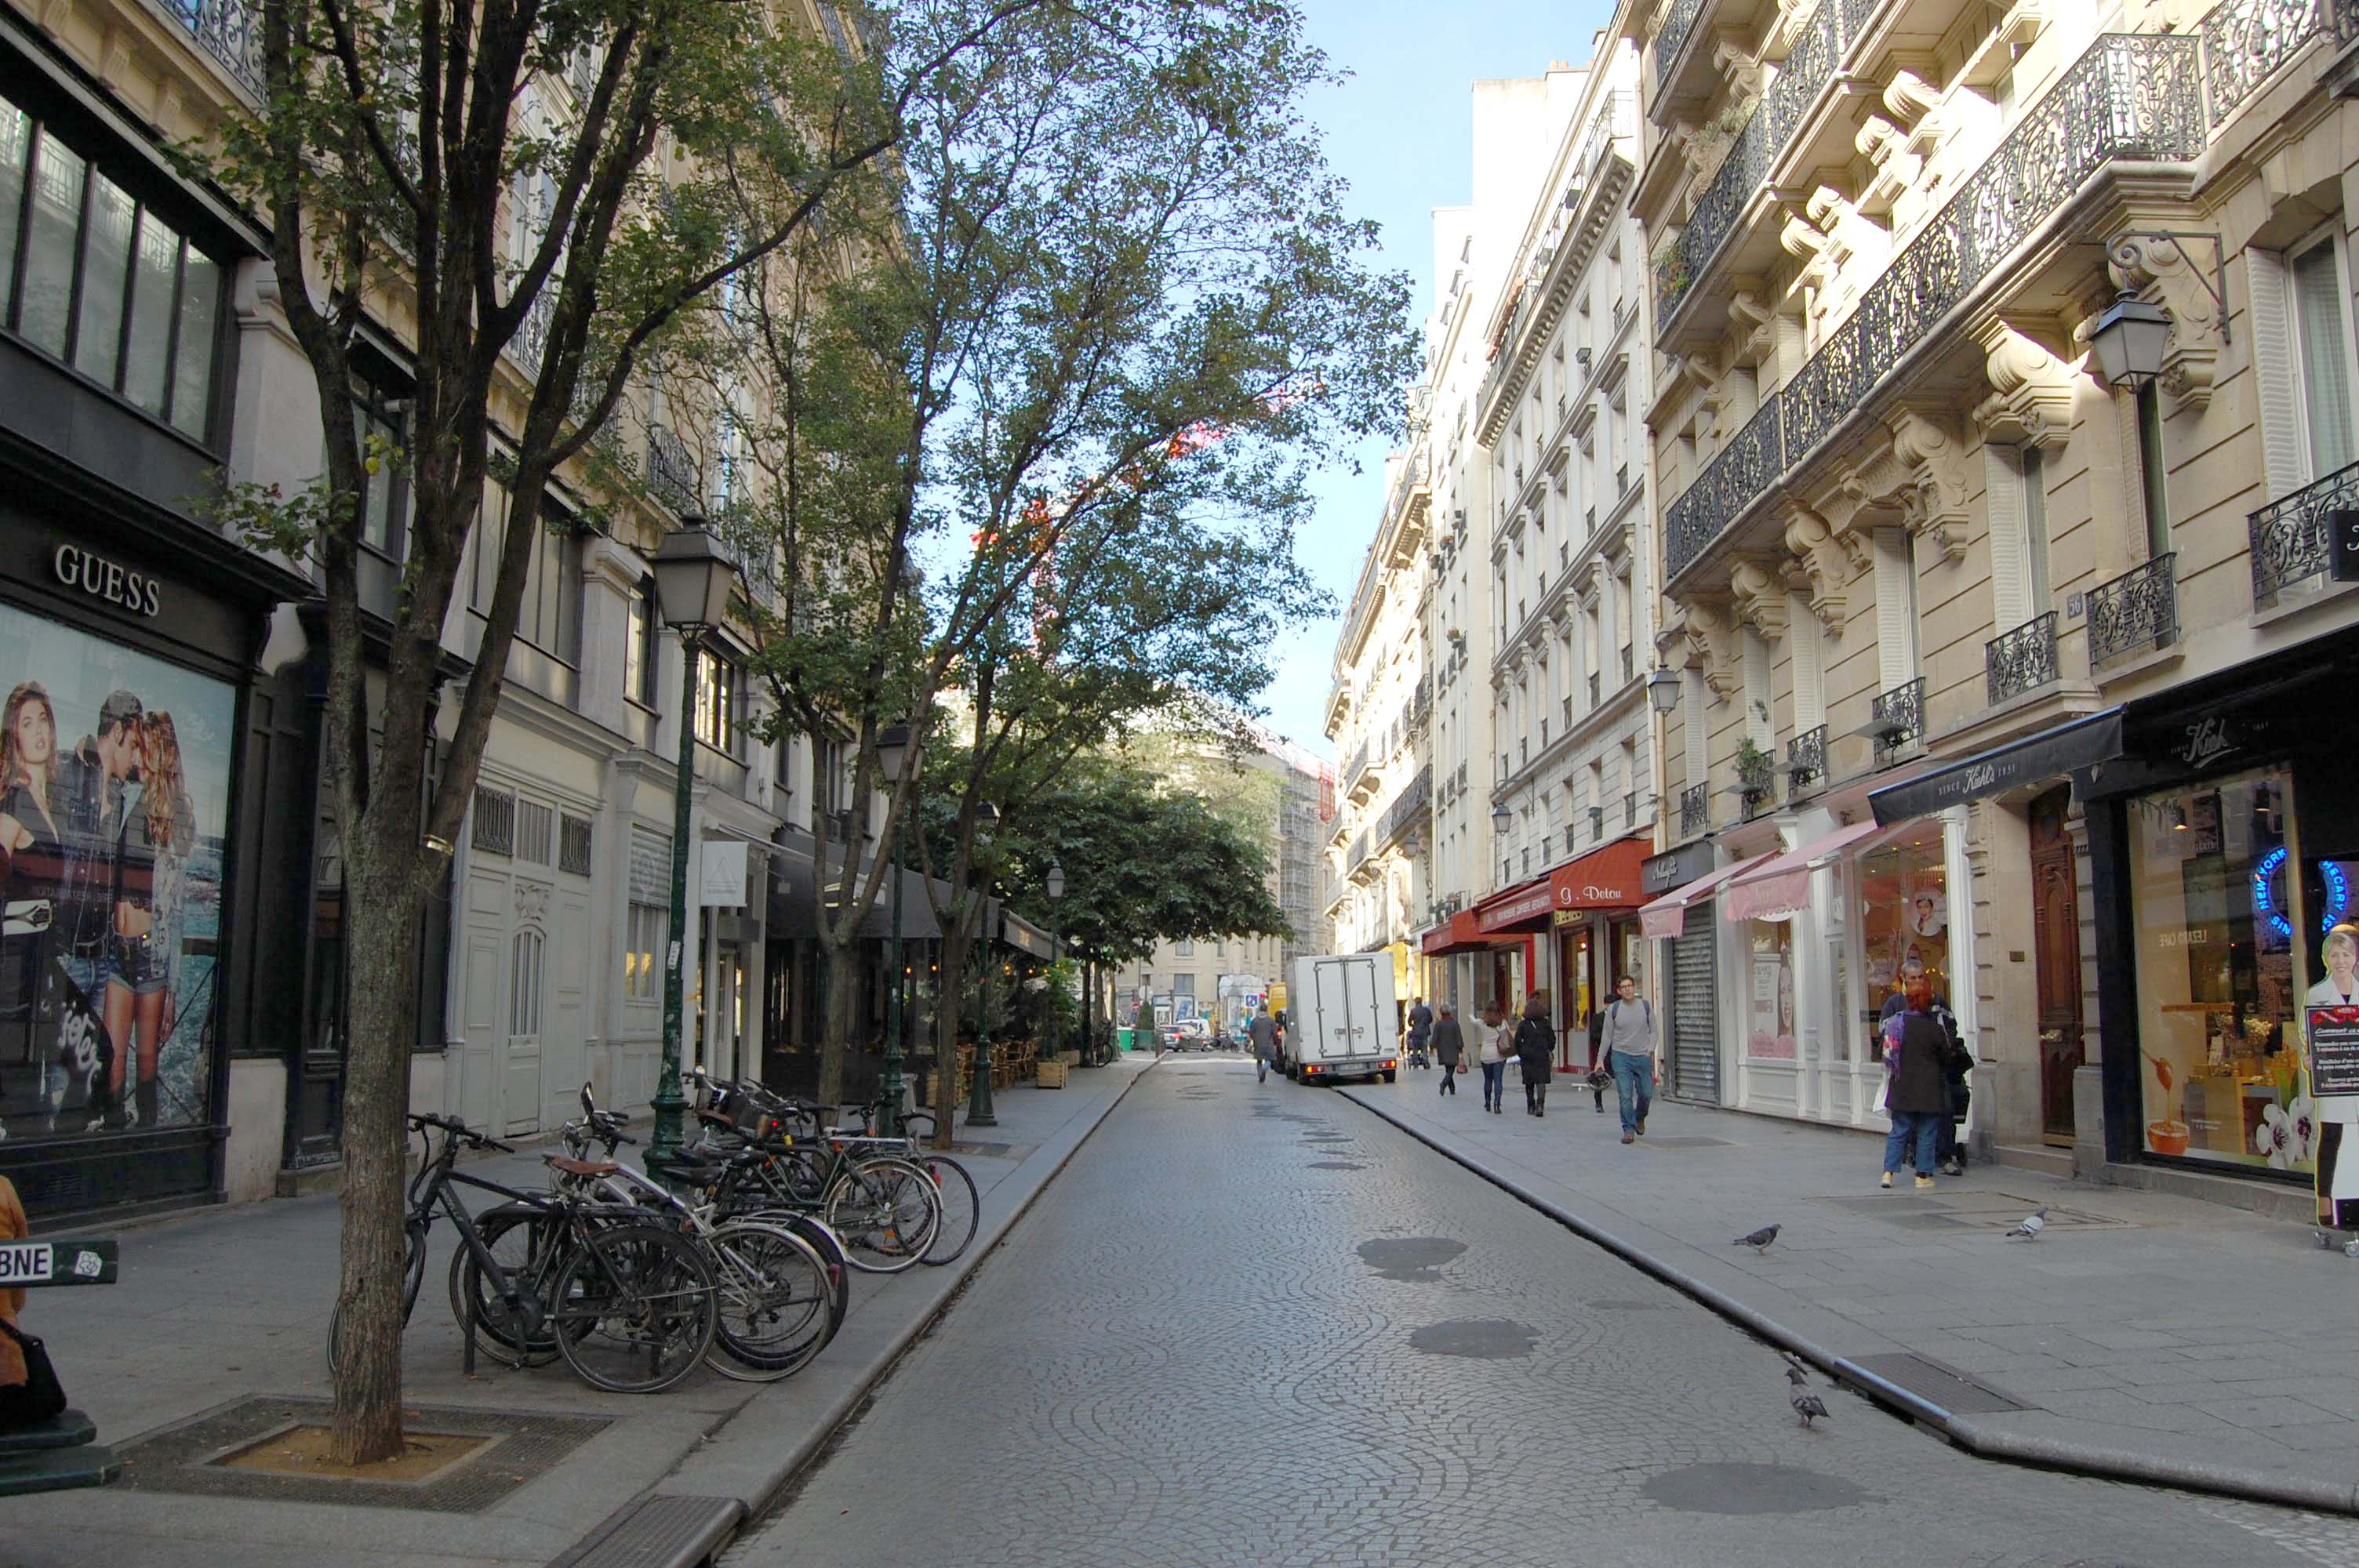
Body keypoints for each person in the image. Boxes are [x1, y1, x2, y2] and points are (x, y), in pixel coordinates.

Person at [104, 712, 194, 1131]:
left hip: (149, 955)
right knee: (111, 1062)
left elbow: (175, 913)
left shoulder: (174, 815)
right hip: (115, 949)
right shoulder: (126, 800)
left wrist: (173, 989)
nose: (137, 755)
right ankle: (109, 1146)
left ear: (158, 751)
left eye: (143, 746)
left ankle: (140, 1152)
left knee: (145, 1070)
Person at [1880, 956, 1967, 1174]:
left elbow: (1950, 1028)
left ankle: (1945, 1157)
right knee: (1906, 1121)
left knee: (1944, 1113)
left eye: (1920, 977)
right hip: (1906, 1072)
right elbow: (1885, 1038)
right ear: (1904, 979)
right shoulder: (1894, 1005)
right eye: (1912, 978)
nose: (1917, 981)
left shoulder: (1936, 1001)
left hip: (1935, 1070)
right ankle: (1914, 1157)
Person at [1881, 972, 1951, 1189]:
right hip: (1928, 1089)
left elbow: (1883, 1053)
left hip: (1902, 1085)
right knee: (1927, 1131)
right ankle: (1923, 1175)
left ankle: (1888, 1173)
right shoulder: (1934, 1029)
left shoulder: (1895, 1024)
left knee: (1899, 1130)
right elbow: (1945, 1057)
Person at [1600, 973, 1657, 1145]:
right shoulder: (1614, 1010)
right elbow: (1607, 1036)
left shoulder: (1645, 1006)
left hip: (1642, 1057)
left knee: (1646, 1094)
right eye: (1624, 987)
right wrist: (1600, 1059)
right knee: (1625, 1095)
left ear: (1634, 988)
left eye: (1630, 986)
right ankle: (1628, 1130)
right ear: (1619, 991)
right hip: (1621, 1056)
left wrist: (1650, 1050)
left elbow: (1654, 1030)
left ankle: (1640, 1117)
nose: (1628, 989)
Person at [1514, 989, 1554, 1116]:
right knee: (1541, 1081)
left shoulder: (1523, 1024)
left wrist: (1521, 1052)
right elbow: (1552, 1039)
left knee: (1529, 1081)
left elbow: (1517, 1040)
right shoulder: (1546, 1024)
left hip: (1528, 1056)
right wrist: (1549, 1049)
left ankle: (1530, 1105)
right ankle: (1540, 1105)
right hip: (1542, 1055)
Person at [1477, 1004, 1510, 1114]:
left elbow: (1473, 1020)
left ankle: (1487, 1103)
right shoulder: (1503, 1022)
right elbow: (1507, 1037)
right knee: (1498, 1080)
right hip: (1499, 1055)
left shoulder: (1482, 1023)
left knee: (1488, 1080)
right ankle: (1497, 1104)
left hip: (1485, 1055)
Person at [1430, 1003, 1464, 1097]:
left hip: (1443, 1050)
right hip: (1453, 1050)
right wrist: (1460, 1048)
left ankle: (1452, 1089)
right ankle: (1443, 1084)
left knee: (1448, 1069)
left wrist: (1433, 1047)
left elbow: (1435, 1038)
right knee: (1451, 1070)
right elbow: (1459, 1037)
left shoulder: (1439, 1024)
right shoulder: (1454, 1023)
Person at [1248, 1004, 1278, 1084]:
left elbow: (1251, 1033)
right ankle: (1265, 1069)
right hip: (1269, 1044)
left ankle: (1260, 1074)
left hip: (1258, 1044)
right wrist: (1275, 1042)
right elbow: (1275, 1033)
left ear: (1260, 1010)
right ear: (1266, 1010)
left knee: (1259, 1060)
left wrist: (1254, 1039)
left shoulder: (1255, 1020)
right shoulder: (1271, 1021)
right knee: (1270, 1059)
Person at [1406, 996, 1433, 1069]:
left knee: (1415, 1048)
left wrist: (1413, 1025)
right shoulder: (1426, 1010)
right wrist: (1425, 1024)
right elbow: (1430, 1019)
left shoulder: (1413, 1011)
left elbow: (1409, 1021)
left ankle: (1415, 1061)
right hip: (1424, 1032)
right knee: (1424, 1047)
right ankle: (1425, 1060)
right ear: (1421, 1002)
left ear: (1415, 1003)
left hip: (1416, 1032)